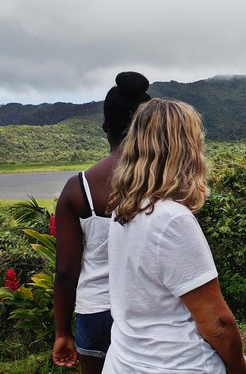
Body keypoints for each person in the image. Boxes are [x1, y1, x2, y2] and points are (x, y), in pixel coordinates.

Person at [102, 98, 246, 374]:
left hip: (126, 360)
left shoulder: (123, 209)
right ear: (187, 149)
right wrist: (240, 368)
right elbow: (217, 323)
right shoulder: (172, 219)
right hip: (179, 364)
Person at [53, 72, 151, 373]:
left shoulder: (78, 188)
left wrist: (62, 333)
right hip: (149, 310)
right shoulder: (164, 182)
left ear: (105, 126)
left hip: (95, 313)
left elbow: (66, 270)